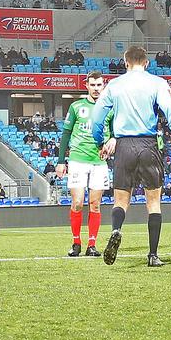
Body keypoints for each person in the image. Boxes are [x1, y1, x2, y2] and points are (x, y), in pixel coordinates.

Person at [90, 45, 171, 267]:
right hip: (148, 145)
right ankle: (152, 255)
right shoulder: (157, 83)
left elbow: (97, 117)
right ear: (147, 63)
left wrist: (100, 141)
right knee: (154, 202)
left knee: (121, 200)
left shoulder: (115, 85)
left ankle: (117, 230)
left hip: (124, 146)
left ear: (125, 62)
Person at [55, 72, 111, 257]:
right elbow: (66, 134)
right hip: (78, 160)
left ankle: (92, 245)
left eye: (99, 85)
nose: (96, 88)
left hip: (99, 162)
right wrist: (61, 161)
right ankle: (76, 242)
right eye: (93, 85)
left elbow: (114, 133)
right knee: (77, 202)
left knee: (95, 204)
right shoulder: (76, 106)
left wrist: (111, 144)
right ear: (86, 85)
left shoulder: (109, 108)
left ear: (104, 86)